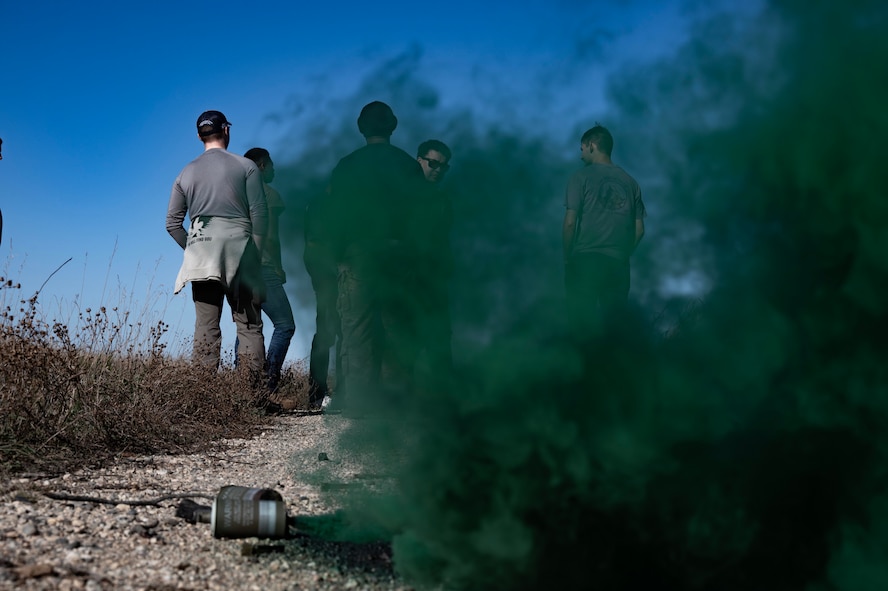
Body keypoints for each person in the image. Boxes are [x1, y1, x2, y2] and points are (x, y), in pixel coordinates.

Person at [323, 101, 426, 411]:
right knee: (397, 329)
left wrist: (338, 253)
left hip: (357, 255)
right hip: (398, 254)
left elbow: (333, 216)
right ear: (393, 126)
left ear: (361, 128)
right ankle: (396, 402)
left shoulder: (347, 165)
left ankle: (360, 404)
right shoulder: (408, 165)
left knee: (357, 330)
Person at [166, 110, 269, 389]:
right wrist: (255, 256)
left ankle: (204, 395)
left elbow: (172, 223)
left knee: (206, 326)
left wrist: (195, 248)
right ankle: (251, 395)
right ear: (226, 131)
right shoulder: (245, 166)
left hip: (202, 251)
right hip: (240, 249)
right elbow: (260, 216)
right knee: (248, 324)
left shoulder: (185, 173)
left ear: (199, 136)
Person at [563, 124, 645, 336]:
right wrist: (622, 254)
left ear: (591, 145)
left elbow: (570, 223)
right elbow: (639, 230)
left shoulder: (580, 178)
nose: (580, 156)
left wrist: (567, 257)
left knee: (581, 329)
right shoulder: (631, 182)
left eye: (581, 149)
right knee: (614, 333)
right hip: (618, 265)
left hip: (585, 260)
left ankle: (586, 368)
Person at [239, 147, 296, 393]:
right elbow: (271, 237)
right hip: (263, 267)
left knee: (248, 325)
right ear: (261, 165)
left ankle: (241, 388)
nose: (274, 169)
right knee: (285, 325)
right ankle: (267, 385)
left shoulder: (238, 193)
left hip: (239, 266)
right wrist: (278, 266)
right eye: (271, 164)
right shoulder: (269, 194)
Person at [414, 139, 454, 392]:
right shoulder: (402, 194)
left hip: (433, 278)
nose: (438, 170)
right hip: (405, 277)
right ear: (419, 160)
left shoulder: (442, 200)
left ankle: (442, 397)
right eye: (433, 163)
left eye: (443, 166)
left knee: (438, 338)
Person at [304, 190, 341, 410]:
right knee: (331, 331)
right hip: (330, 275)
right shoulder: (324, 204)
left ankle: (321, 394)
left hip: (333, 274)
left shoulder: (318, 203)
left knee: (335, 332)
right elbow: (314, 246)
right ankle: (319, 394)